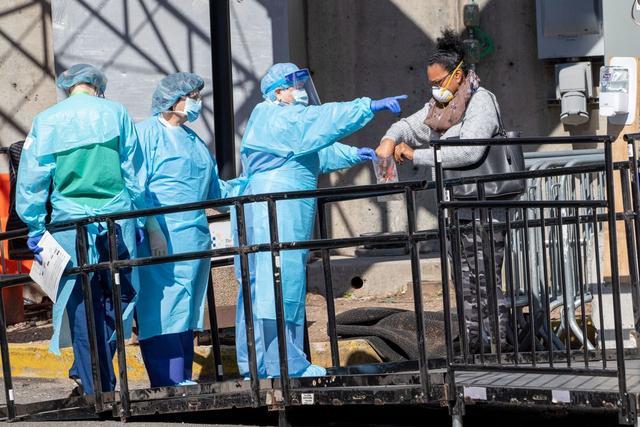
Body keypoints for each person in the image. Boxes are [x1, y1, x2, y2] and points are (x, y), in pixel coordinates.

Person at [235, 62, 406, 379]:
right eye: (295, 87)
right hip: (277, 209)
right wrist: (366, 107)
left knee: (279, 285)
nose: (301, 92)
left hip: (285, 210)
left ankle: (271, 363)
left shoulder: (284, 124)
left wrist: (354, 154)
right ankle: (279, 364)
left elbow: (315, 152)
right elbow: (320, 122)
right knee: (277, 285)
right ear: (278, 92)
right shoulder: (274, 117)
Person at [376, 30, 511, 353]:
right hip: (456, 207)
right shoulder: (441, 107)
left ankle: (499, 347)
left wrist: (416, 156)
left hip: (483, 207)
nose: (436, 89)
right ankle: (474, 347)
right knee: (464, 284)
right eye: (432, 84)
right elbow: (410, 125)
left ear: (458, 75)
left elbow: (470, 151)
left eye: (439, 82)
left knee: (484, 282)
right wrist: (389, 139)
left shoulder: (481, 102)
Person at [16, 64, 146, 395]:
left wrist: (34, 224)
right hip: (116, 220)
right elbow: (134, 169)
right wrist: (141, 216)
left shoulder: (47, 120)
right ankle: (97, 375)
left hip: (69, 224)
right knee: (118, 297)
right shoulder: (116, 113)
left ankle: (92, 382)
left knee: (81, 303)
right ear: (97, 86)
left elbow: (33, 178)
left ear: (68, 87)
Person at [135, 72, 227, 387]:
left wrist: (255, 188)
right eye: (193, 96)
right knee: (161, 307)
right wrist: (151, 227)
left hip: (193, 238)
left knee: (187, 309)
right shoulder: (145, 135)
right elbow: (135, 186)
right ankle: (167, 380)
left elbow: (215, 191)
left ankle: (182, 378)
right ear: (174, 100)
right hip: (161, 238)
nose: (198, 102)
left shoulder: (194, 141)